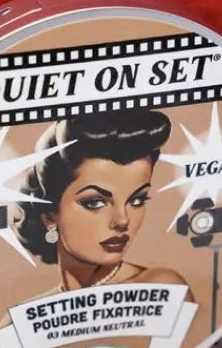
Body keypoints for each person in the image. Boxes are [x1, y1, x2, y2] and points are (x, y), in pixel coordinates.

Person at [12, 109, 192, 296]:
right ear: (49, 215)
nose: (123, 220)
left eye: (137, 200)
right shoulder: (27, 311)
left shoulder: (162, 288)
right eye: (95, 203)